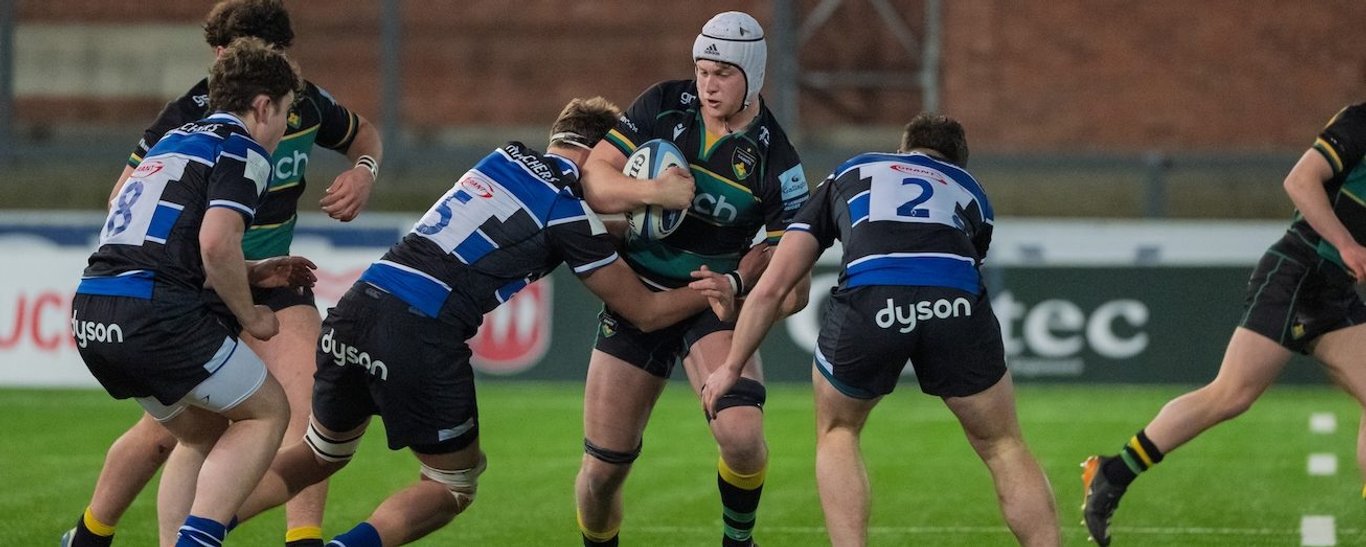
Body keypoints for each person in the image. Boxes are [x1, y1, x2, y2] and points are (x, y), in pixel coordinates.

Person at [226, 97, 757, 547]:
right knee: (453, 483)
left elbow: (558, 213)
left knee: (320, 453)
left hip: (356, 308)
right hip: (419, 329)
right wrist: (723, 281)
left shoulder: (502, 157)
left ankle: (203, 526)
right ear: (604, 158)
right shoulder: (568, 211)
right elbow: (644, 311)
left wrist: (624, 218)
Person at [62, 2, 382, 546]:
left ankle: (299, 537)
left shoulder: (299, 99)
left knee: (287, 408)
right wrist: (243, 305)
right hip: (194, 285)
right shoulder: (215, 125)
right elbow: (184, 225)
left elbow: (364, 135)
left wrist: (364, 170)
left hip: (217, 281)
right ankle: (114, 532)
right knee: (199, 429)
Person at [696, 113, 1061, 547]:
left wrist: (730, 366)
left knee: (839, 432)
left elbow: (774, 285)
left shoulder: (851, 171)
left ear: (903, 149)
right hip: (955, 297)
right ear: (957, 162)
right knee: (1004, 444)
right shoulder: (973, 191)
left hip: (872, 295)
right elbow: (966, 256)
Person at [574, 11, 811, 547]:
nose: (708, 85)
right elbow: (596, 176)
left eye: (723, 73)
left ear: (752, 75)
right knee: (602, 473)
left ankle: (738, 541)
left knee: (743, 435)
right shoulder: (661, 103)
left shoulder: (779, 159)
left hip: (711, 301)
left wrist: (738, 285)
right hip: (637, 298)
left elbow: (792, 267)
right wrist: (654, 194)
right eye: (703, 70)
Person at [1081, 103, 1366, 545]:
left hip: (1335, 290)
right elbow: (1299, 180)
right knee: (1231, 395)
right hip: (1299, 273)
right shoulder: (1360, 122)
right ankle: (1112, 473)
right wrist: (1346, 244)